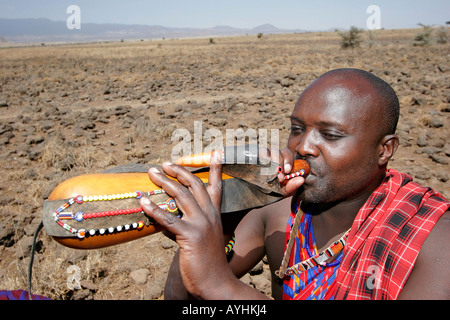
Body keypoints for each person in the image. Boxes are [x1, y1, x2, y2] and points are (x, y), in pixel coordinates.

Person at [139, 68, 450, 300]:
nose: (304, 146)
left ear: (384, 150)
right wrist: (224, 218)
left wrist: (222, 286)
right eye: (297, 129)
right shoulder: (276, 212)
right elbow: (185, 299)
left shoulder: (432, 239)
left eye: (330, 135)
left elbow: (213, 285)